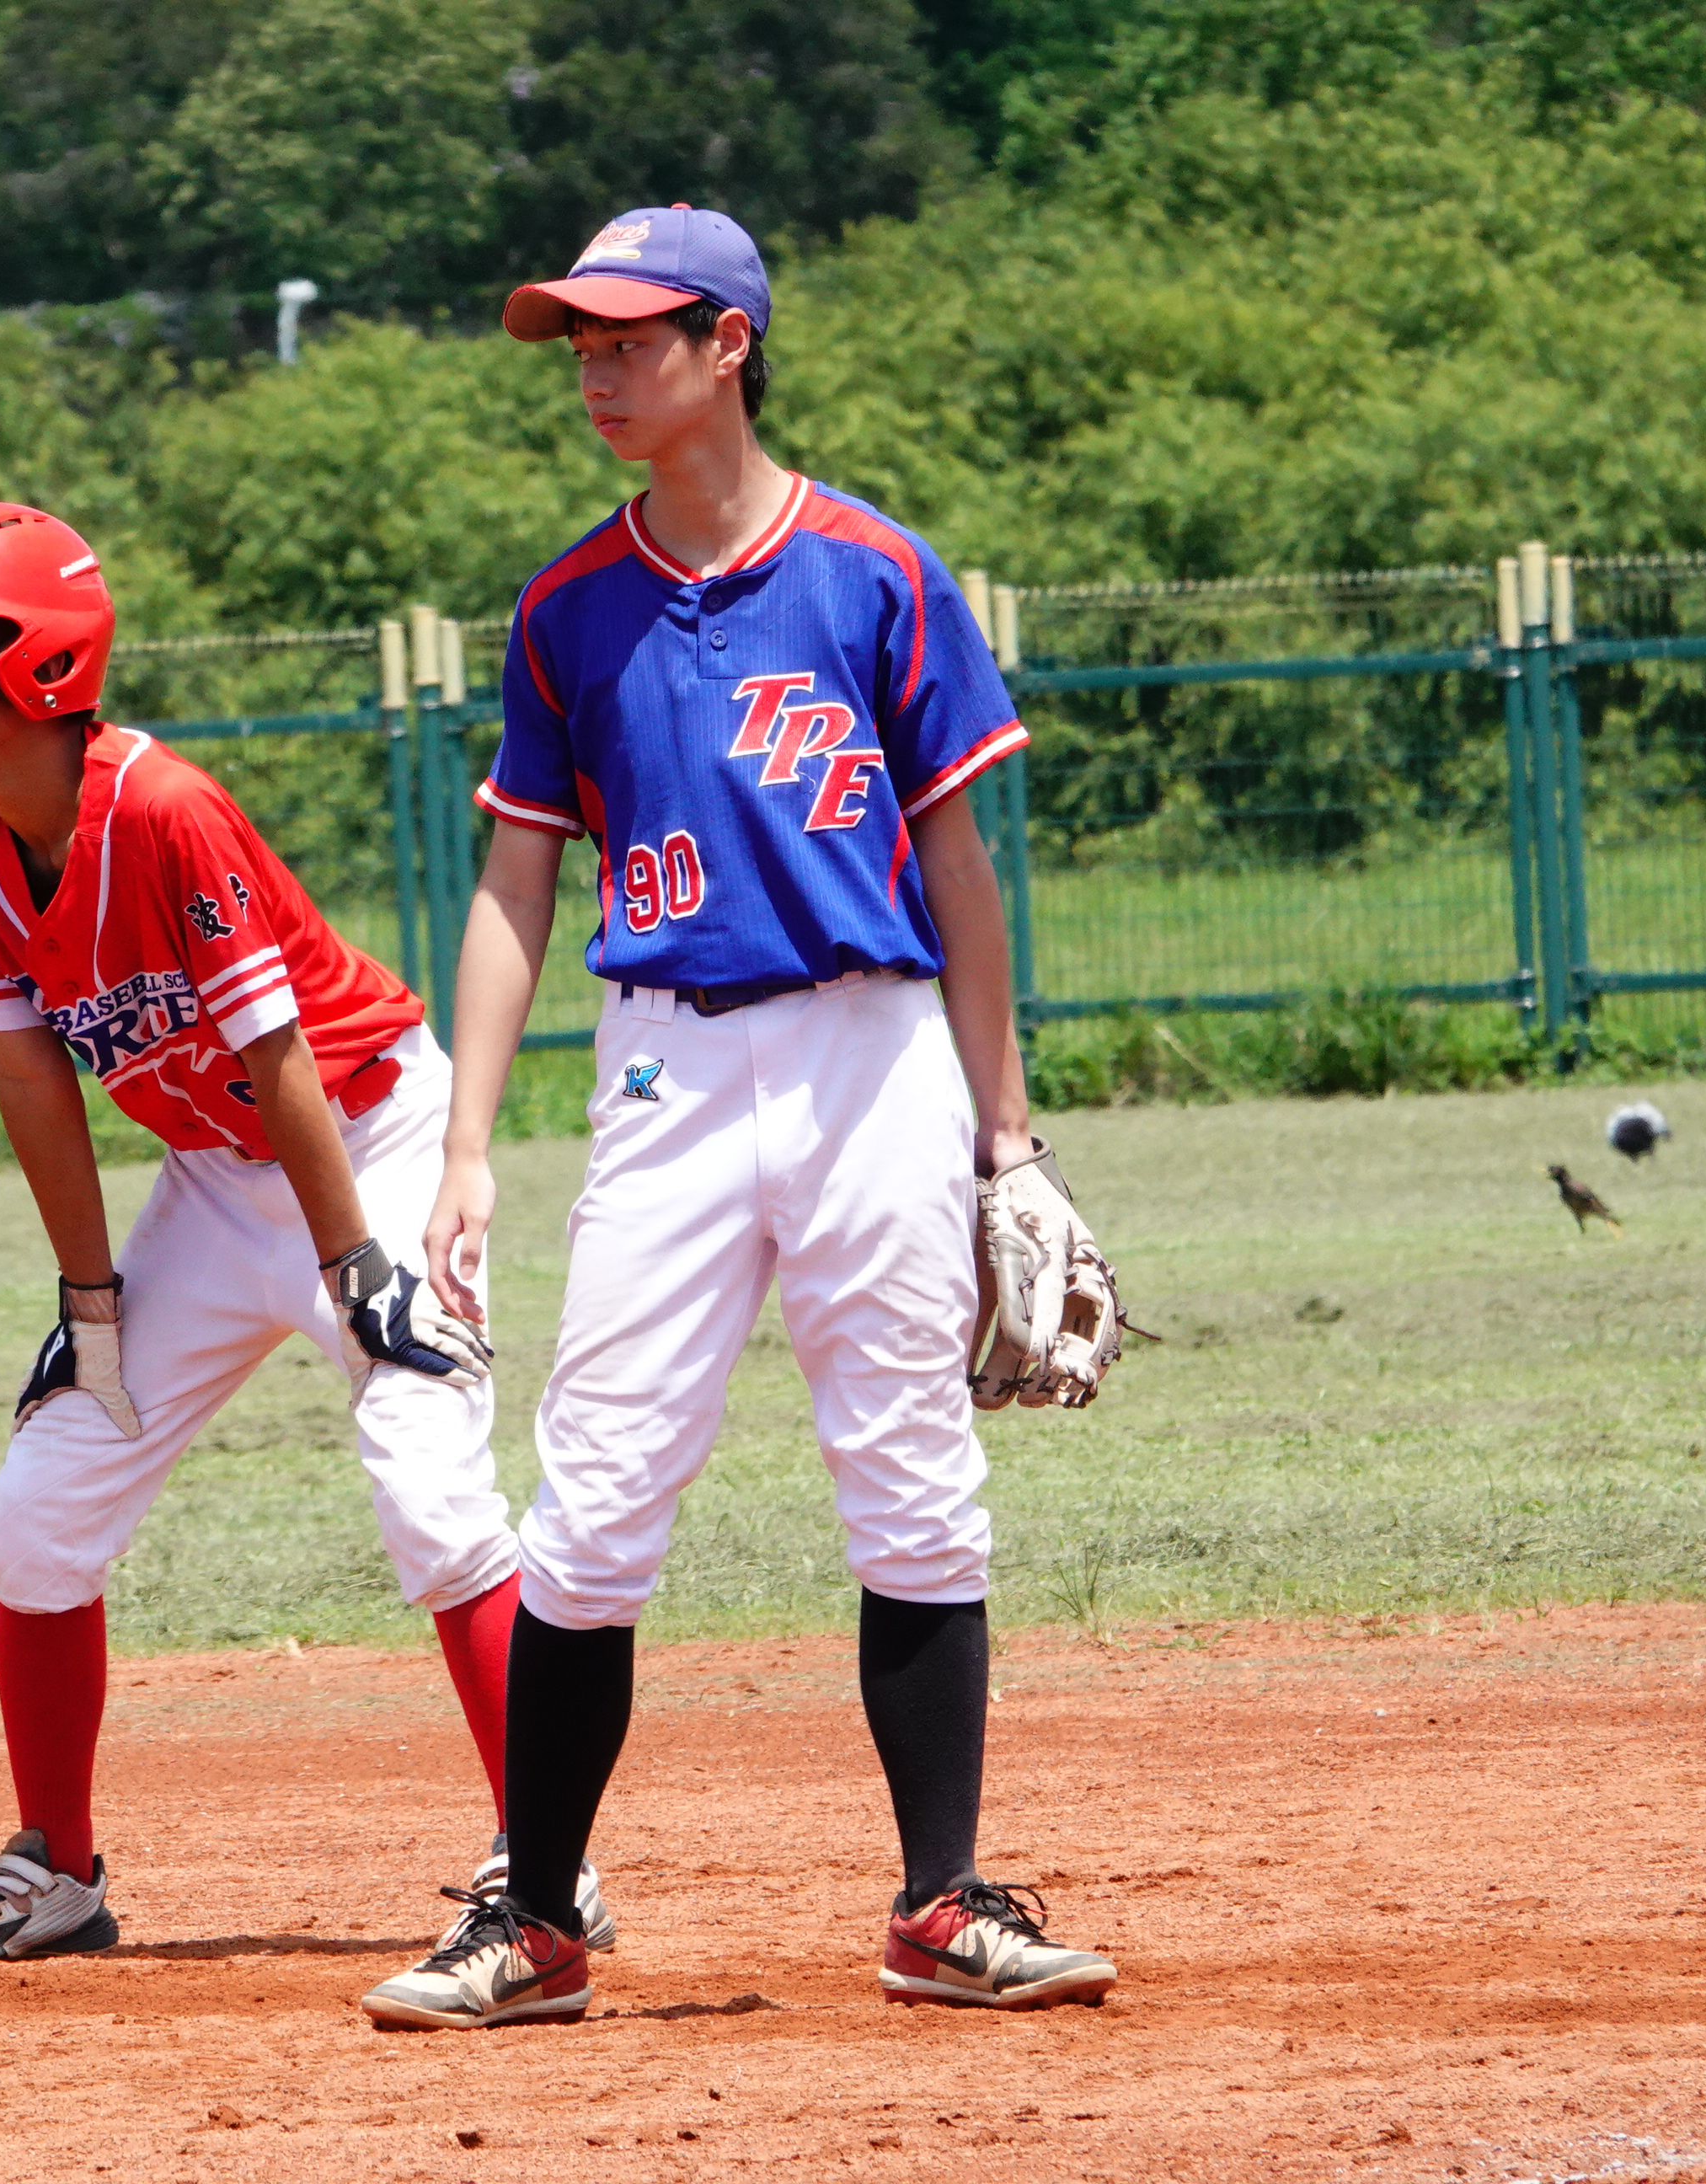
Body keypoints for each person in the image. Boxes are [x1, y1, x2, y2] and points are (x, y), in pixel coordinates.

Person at [356, 207, 1125, 2031]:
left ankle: (941, 1905)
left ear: (731, 344)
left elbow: (958, 864)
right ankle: (537, 1920)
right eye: (581, 344)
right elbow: (516, 883)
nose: (596, 371)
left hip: (876, 1052)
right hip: (667, 1069)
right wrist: (466, 1146)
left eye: (630, 338)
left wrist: (1008, 1135)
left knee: (916, 1487)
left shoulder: (877, 572)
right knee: (596, 1498)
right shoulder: (566, 607)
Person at [0, 503, 615, 1962]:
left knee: (432, 1495)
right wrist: (91, 1299)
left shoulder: (163, 808)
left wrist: (359, 1265)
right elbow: (31, 1075)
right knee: (42, 1507)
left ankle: (545, 1867)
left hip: (364, 1150)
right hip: (208, 1179)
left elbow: (280, 1056)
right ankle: (58, 1868)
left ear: (41, 662)